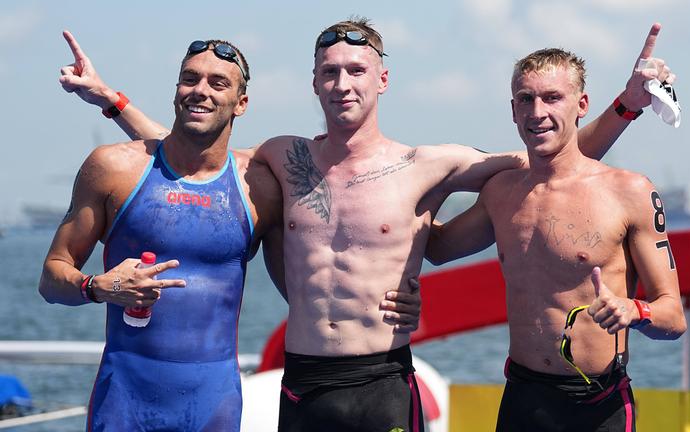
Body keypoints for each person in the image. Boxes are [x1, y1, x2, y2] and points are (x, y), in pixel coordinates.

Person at [59, 18, 674, 431]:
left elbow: (555, 156)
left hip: (382, 379)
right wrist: (112, 101)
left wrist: (627, 104)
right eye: (330, 71)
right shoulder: (284, 157)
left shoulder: (428, 165)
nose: (342, 82)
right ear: (315, 83)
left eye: (356, 70)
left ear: (381, 80)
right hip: (303, 381)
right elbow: (189, 156)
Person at [42, 33, 421, 432]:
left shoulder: (258, 187)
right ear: (176, 91)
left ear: (241, 103)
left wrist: (391, 301)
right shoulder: (114, 168)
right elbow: (52, 276)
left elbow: (316, 287)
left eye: (217, 83)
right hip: (123, 403)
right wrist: (97, 287)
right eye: (190, 79)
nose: (200, 91)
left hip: (214, 406)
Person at [426, 45, 687, 431]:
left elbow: (673, 317)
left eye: (552, 98)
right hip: (524, 399)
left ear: (581, 104)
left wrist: (634, 310)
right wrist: (430, 178)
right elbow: (438, 248)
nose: (537, 112)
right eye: (526, 99)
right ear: (513, 109)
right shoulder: (502, 193)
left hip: (598, 405)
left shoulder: (629, 192)